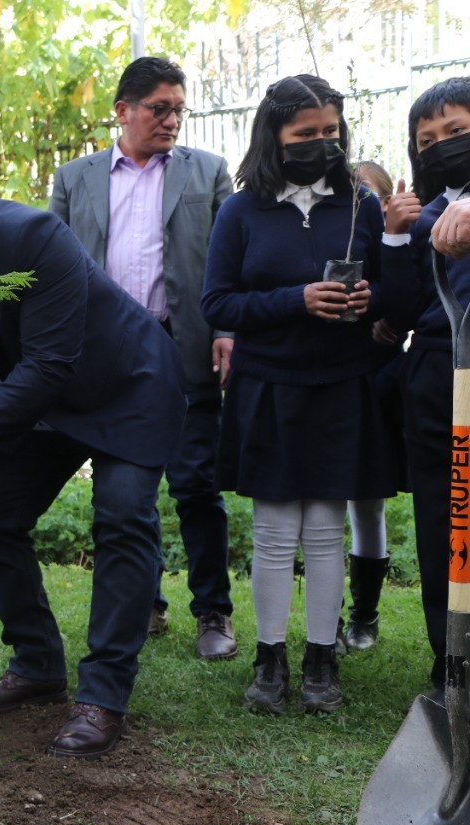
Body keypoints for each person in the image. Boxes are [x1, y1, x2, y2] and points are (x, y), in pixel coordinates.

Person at [0, 158, 186, 759]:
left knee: (123, 515)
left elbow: (49, 364)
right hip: (37, 406)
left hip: (125, 388)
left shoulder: (38, 239)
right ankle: (39, 663)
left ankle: (103, 696)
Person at [200, 74, 411, 715]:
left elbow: (389, 296)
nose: (321, 143)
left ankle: (321, 662)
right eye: (305, 134)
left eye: (330, 131)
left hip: (341, 384)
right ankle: (270, 661)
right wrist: (296, 300)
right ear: (275, 136)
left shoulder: (360, 204)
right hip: (269, 384)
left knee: (324, 527)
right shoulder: (240, 211)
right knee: (272, 531)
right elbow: (218, 301)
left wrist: (374, 296)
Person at [50, 56, 237, 661]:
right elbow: (52, 270)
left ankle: (213, 612)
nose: (172, 121)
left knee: (196, 487)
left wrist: (227, 328)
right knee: (126, 491)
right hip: (106, 359)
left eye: (179, 110)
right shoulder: (74, 179)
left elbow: (231, 261)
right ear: (122, 110)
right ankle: (146, 604)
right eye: (160, 108)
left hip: (185, 349)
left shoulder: (207, 173)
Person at [389, 77, 470, 694]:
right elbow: (401, 310)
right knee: (445, 521)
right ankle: (450, 661)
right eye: (428, 140)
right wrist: (395, 236)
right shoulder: (426, 215)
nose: (442, 146)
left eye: (457, 132)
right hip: (436, 376)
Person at [335, 161, 411, 653]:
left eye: (369, 197)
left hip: (378, 381)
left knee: (367, 501)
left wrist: (394, 322)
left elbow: (407, 296)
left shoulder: (396, 240)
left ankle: (364, 616)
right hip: (332, 379)